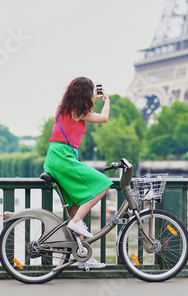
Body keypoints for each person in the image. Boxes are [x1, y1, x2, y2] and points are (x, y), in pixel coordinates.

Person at [43, 77, 112, 269]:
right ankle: (75, 222)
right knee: (104, 184)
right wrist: (107, 101)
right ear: (85, 93)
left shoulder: (64, 109)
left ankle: (83, 257)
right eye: (90, 92)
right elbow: (104, 118)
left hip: (55, 159)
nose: (92, 95)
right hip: (64, 158)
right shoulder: (78, 112)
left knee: (75, 205)